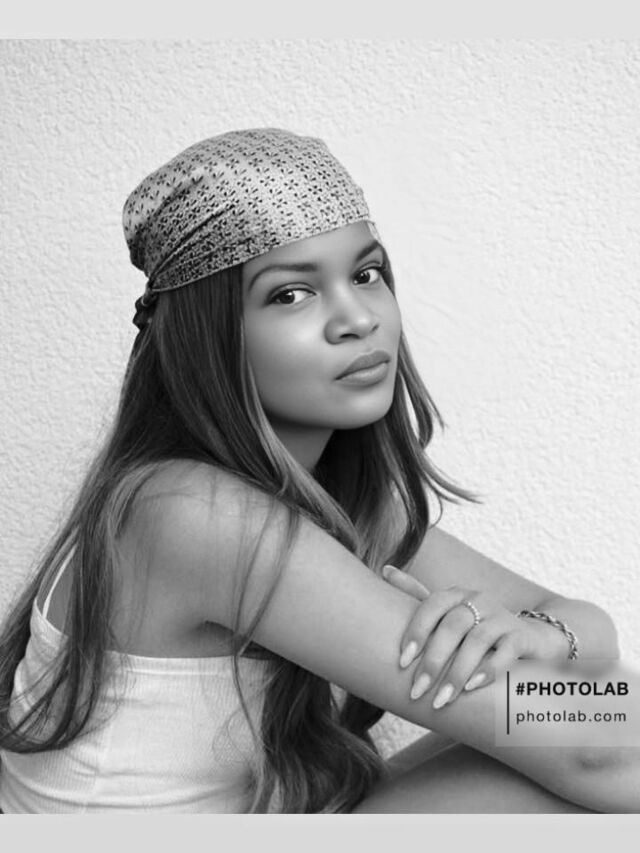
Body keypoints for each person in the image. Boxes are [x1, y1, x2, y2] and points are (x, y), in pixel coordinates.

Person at [0, 128, 633, 814]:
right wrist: (559, 681)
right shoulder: (192, 513)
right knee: (583, 744)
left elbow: (590, 632)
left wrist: (544, 636)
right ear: (207, 337)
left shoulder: (337, 499)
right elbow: (599, 746)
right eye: (291, 294)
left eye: (365, 275)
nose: (357, 318)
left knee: (579, 724)